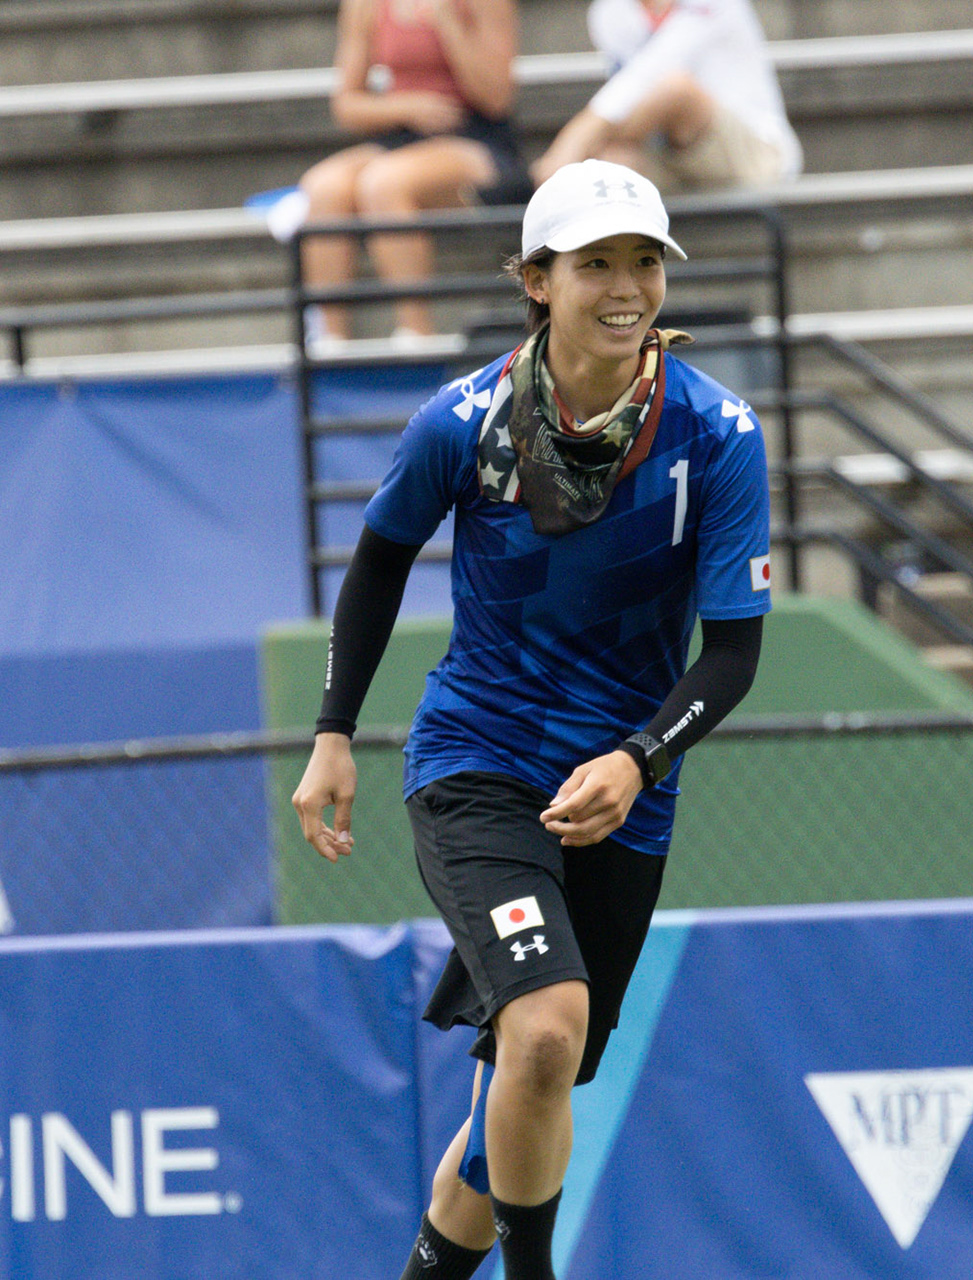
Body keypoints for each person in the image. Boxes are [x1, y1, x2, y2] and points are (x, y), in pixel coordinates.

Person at [290, 159, 772, 1280]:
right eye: (596, 263)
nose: (627, 287)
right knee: (547, 1029)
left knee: (520, 1090)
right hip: (477, 759)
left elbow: (735, 652)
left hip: (620, 793)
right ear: (536, 281)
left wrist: (638, 760)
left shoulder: (719, 433)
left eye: (645, 261)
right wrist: (332, 732)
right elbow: (377, 562)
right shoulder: (459, 422)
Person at [300, 0, 527, 345]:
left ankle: (415, 332)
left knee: (384, 183)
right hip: (402, 133)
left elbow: (496, 97)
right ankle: (329, 341)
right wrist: (405, 108)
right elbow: (346, 104)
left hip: (473, 137)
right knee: (323, 186)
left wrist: (449, 22)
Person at [530, 0, 801, 192]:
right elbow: (633, 93)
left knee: (677, 91)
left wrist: (575, 143)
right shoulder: (609, 12)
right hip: (665, 151)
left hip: (758, 153)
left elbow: (653, 76)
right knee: (613, 165)